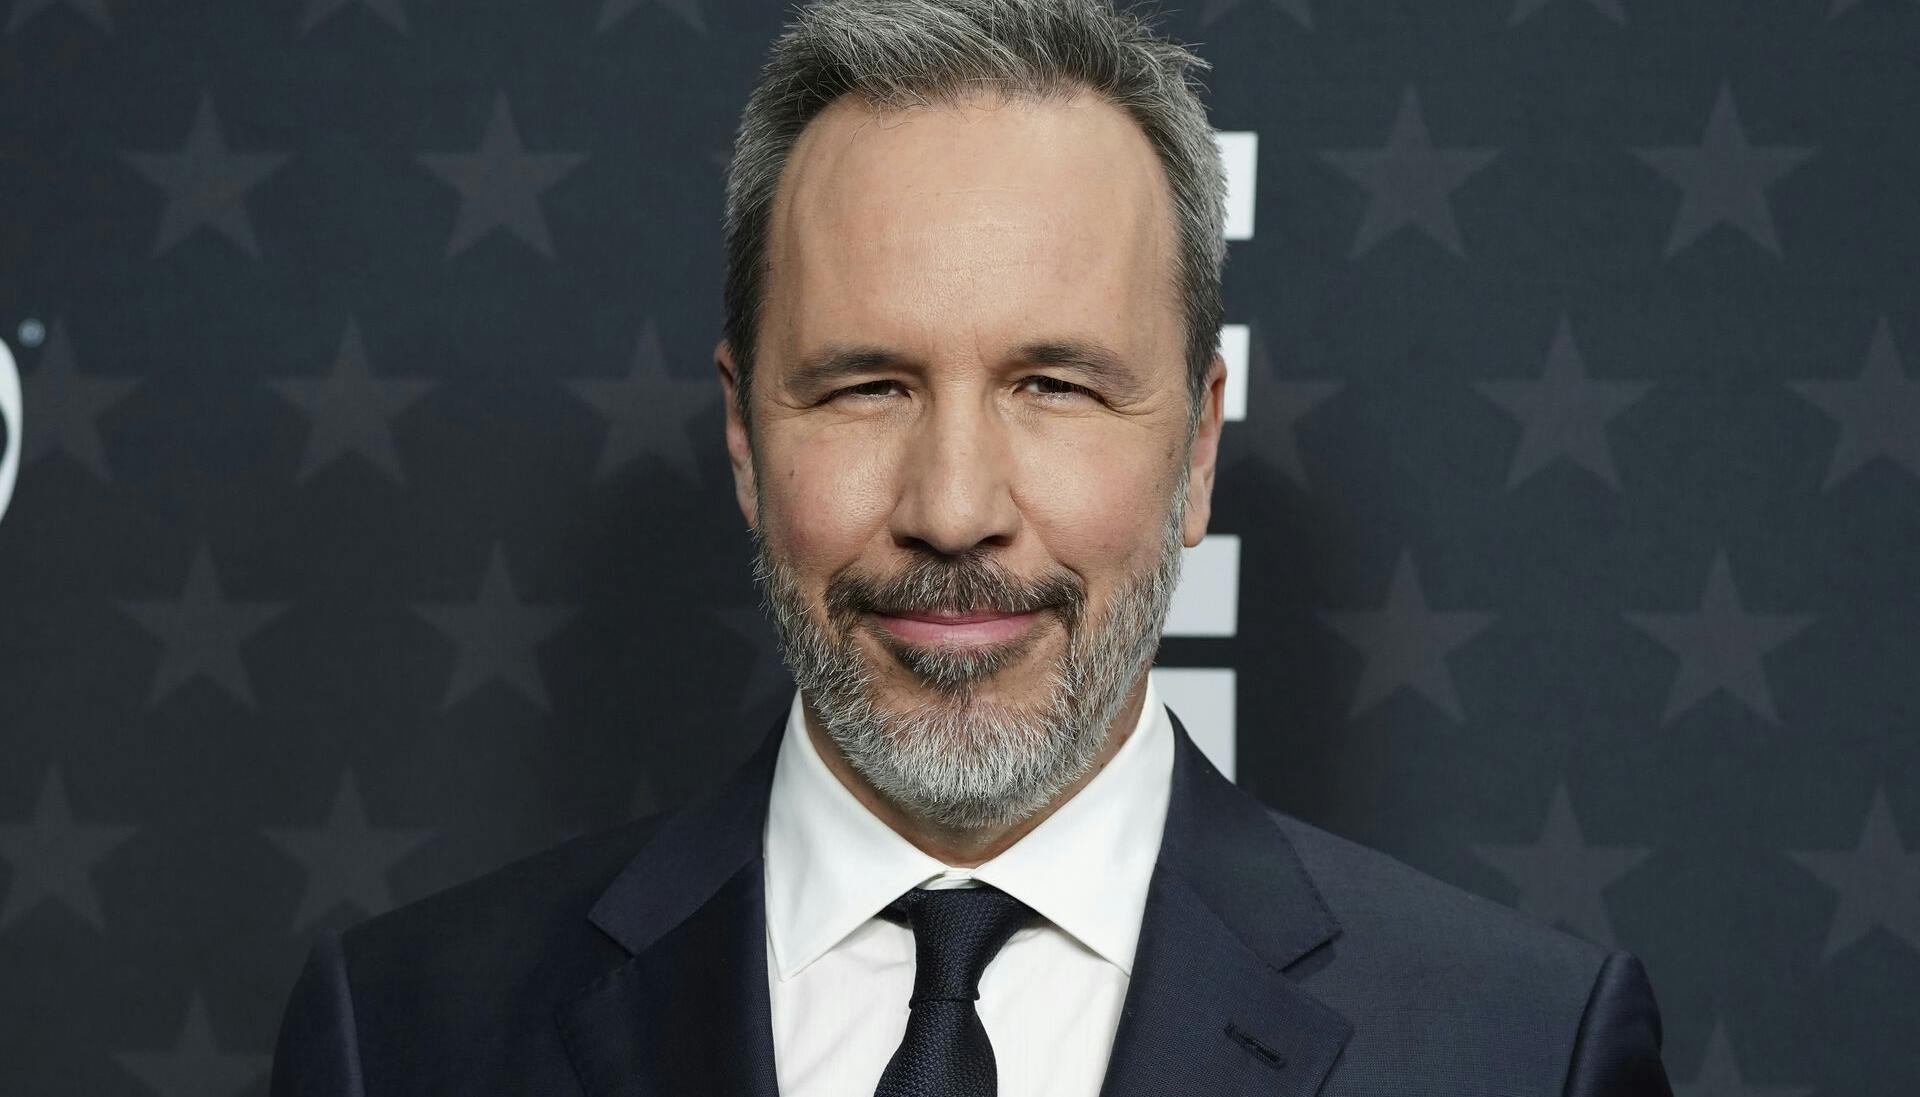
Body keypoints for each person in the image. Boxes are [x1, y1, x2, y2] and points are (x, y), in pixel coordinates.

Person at [271, 1, 1674, 1093]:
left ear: (1194, 446)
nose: (953, 505)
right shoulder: (401, 1038)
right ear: (747, 440)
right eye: (866, 383)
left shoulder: (1516, 1049)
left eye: (1054, 385)